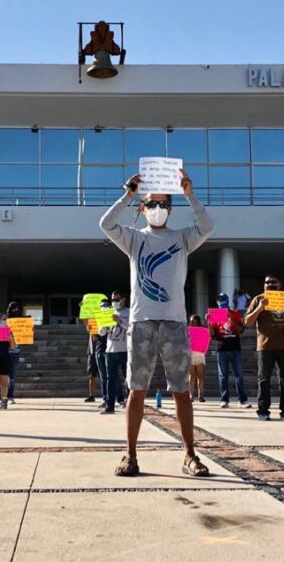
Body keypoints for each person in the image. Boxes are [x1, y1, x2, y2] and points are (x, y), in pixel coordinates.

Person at [100, 169, 213, 477]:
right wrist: (129, 194)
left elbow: (207, 225)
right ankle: (130, 454)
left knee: (181, 391)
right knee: (136, 390)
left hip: (175, 323)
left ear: (170, 208)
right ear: (143, 208)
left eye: (163, 204)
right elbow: (106, 224)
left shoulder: (182, 238)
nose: (157, 209)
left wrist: (190, 194)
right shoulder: (134, 239)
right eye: (151, 204)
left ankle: (190, 454)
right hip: (141, 323)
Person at [245, 275, 284, 421]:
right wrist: (260, 308)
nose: (270, 284)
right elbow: (247, 322)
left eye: (273, 282)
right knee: (264, 379)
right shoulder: (258, 299)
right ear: (263, 285)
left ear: (279, 285)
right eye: (267, 282)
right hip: (265, 347)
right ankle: (263, 411)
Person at [211, 293, 250, 409]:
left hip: (235, 348)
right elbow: (212, 334)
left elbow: (240, 330)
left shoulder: (235, 313)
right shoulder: (215, 315)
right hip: (221, 349)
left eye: (223, 299)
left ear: (227, 300)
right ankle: (224, 399)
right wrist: (208, 321)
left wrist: (231, 318)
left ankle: (242, 400)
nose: (221, 301)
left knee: (239, 374)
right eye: (219, 300)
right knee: (223, 376)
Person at [100, 290, 129, 414]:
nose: (115, 302)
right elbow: (101, 332)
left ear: (123, 300)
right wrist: (104, 327)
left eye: (117, 300)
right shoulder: (108, 313)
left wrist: (120, 321)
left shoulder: (130, 312)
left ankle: (130, 403)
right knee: (110, 378)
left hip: (125, 350)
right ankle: (109, 405)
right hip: (110, 350)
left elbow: (133, 329)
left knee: (128, 378)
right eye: (113, 300)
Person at [3, 301, 23, 404]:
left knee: (12, 374)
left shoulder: (21, 321)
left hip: (16, 350)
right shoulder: (5, 321)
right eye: (13, 309)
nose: (15, 311)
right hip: (4, 350)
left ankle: (10, 395)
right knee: (3, 374)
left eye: (16, 309)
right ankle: (2, 395)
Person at [188, 314, 207, 402]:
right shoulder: (187, 330)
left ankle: (201, 396)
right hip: (190, 353)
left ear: (198, 322)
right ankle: (191, 396)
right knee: (191, 376)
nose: (191, 323)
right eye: (190, 321)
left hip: (200, 353)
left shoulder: (203, 331)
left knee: (200, 376)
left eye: (193, 321)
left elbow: (206, 341)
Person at [84, 320, 103, 403]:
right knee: (92, 375)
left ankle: (107, 396)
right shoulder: (91, 321)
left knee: (104, 375)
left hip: (101, 350)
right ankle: (91, 395)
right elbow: (85, 319)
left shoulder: (103, 322)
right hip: (92, 350)